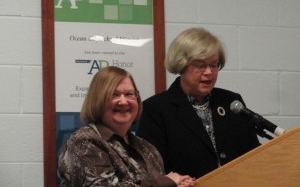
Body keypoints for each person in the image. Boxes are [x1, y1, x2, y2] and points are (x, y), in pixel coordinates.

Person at [136, 27, 261, 179]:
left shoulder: (231, 102)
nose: (209, 72)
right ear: (181, 65)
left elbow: (254, 154)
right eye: (200, 65)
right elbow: (152, 171)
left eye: (214, 65)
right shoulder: (156, 109)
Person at [58, 66, 196, 187]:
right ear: (98, 100)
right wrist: (165, 182)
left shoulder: (148, 149)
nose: (123, 101)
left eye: (129, 94)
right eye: (114, 94)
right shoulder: (84, 141)